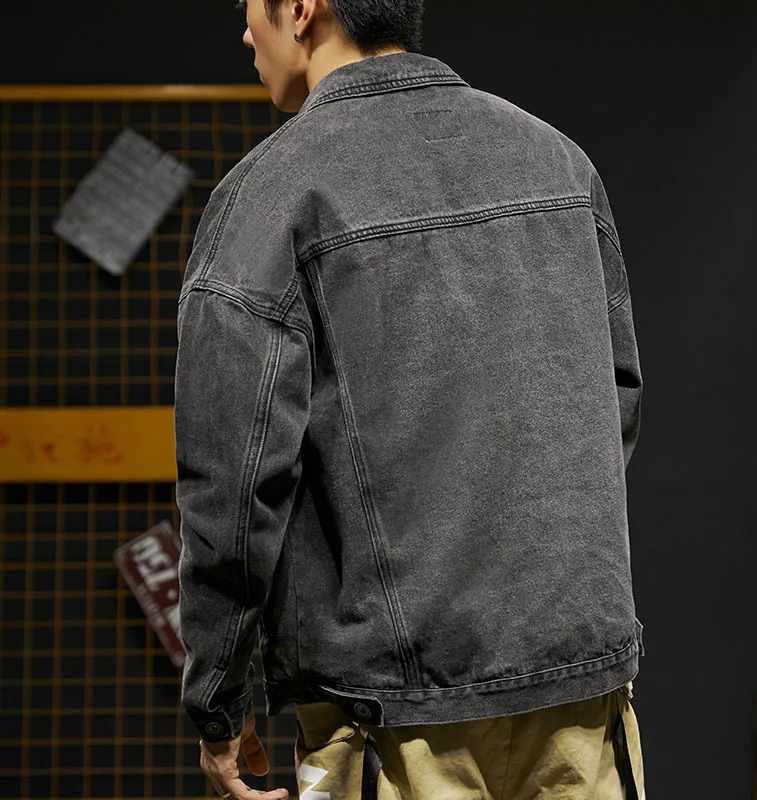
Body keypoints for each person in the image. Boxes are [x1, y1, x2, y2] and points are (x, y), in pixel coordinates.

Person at [174, 0, 647, 797]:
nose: (246, 31)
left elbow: (233, 482)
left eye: (250, 5)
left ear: (302, 9)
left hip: (390, 716)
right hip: (581, 697)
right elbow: (614, 405)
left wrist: (217, 699)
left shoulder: (269, 194)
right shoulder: (559, 162)